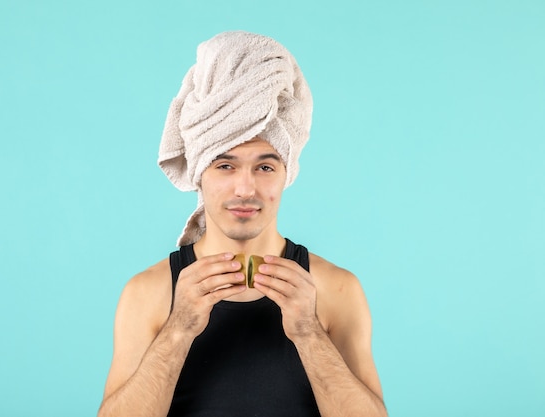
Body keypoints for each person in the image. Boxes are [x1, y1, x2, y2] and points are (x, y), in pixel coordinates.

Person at [98, 31, 387, 417]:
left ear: (287, 174)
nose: (245, 188)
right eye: (225, 165)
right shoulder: (149, 293)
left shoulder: (335, 289)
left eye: (265, 166)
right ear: (200, 174)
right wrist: (179, 328)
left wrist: (309, 334)